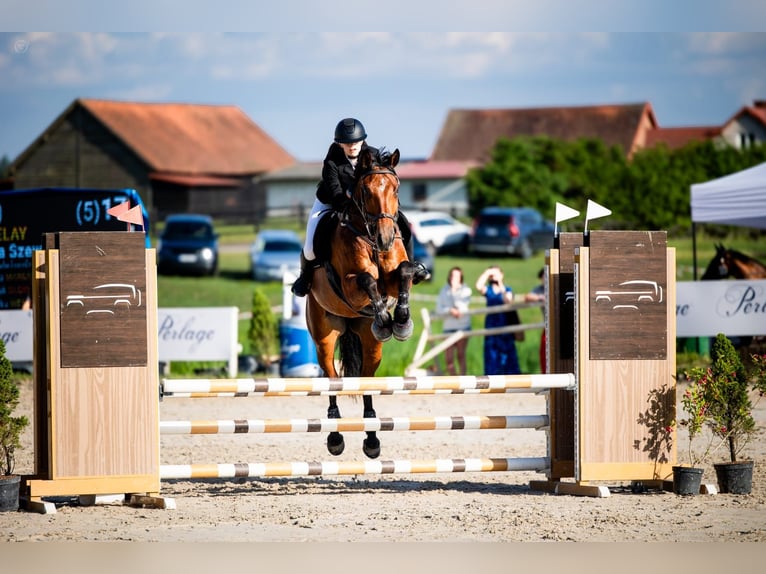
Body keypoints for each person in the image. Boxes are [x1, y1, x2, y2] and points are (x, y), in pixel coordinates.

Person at [291, 118, 430, 297]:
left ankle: (413, 265)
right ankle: (306, 276)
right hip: (332, 201)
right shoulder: (332, 162)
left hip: (369, 203)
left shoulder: (373, 154)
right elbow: (335, 192)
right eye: (347, 143)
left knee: (402, 222)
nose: (352, 146)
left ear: (362, 140)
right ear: (339, 144)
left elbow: (387, 179)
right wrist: (347, 203)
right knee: (310, 246)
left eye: (356, 142)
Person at [475, 265, 521, 375]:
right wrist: (487, 273)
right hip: (491, 326)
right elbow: (478, 286)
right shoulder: (489, 290)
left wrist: (500, 284)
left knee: (507, 355)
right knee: (492, 355)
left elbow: (508, 301)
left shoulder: (507, 289)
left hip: (505, 326)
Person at [436, 266, 472, 376]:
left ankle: (463, 379)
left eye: (456, 276)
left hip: (462, 326)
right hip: (448, 327)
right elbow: (439, 309)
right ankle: (454, 380)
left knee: (461, 355)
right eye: (452, 275)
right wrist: (450, 310)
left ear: (461, 277)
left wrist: (454, 291)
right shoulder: (444, 290)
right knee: (449, 358)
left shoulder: (466, 290)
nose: (453, 278)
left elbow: (462, 307)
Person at [524, 267, 546, 373]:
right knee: (544, 352)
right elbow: (527, 297)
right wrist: (541, 298)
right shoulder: (540, 289)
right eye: (543, 277)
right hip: (548, 327)